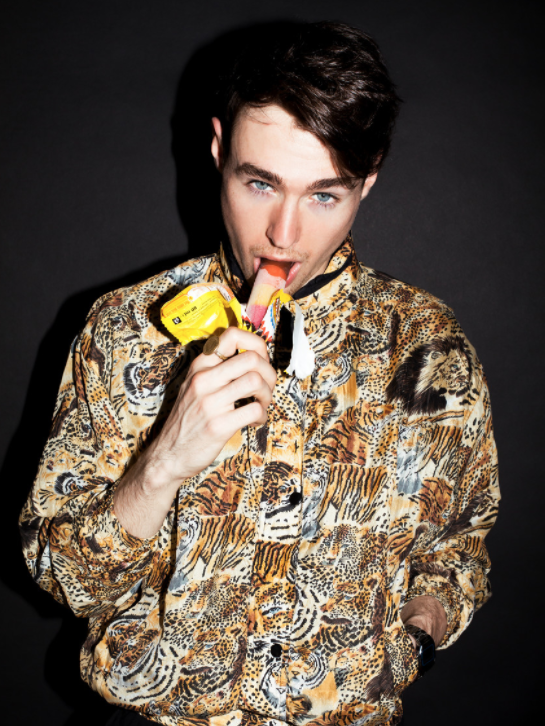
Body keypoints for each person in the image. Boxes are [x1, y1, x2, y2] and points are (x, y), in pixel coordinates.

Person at [19, 21, 499, 726]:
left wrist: (415, 639)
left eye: (324, 195)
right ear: (218, 149)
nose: (283, 233)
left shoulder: (427, 346)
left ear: (368, 179)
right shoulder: (123, 328)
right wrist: (163, 463)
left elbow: (460, 545)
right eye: (259, 183)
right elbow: (63, 578)